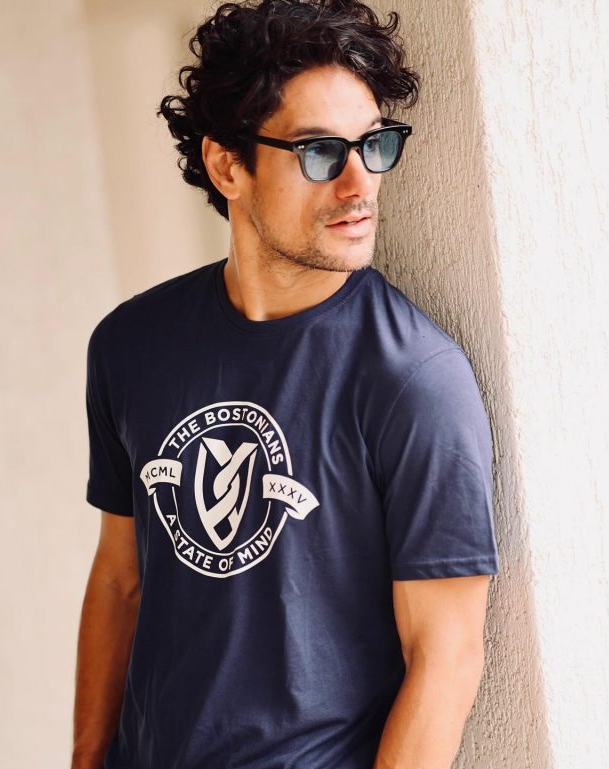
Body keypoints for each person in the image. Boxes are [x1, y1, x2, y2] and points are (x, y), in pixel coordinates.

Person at [71, 1, 501, 768]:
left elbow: (447, 655)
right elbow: (119, 578)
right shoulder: (129, 347)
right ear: (227, 166)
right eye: (319, 152)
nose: (359, 183)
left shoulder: (413, 379)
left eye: (374, 145)